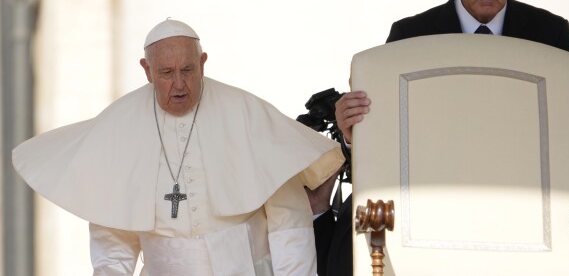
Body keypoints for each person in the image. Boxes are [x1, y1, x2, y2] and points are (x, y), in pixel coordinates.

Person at [310, 0, 569, 276]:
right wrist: (353, 135)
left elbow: (567, 126)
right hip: (428, 209)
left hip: (517, 210)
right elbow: (385, 139)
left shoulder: (550, 33)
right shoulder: (410, 34)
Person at [13, 19, 345, 275]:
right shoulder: (118, 126)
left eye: (187, 70)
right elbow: (113, 238)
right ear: (146, 71)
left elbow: (289, 223)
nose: (179, 84)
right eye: (166, 73)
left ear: (202, 62)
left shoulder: (246, 113)